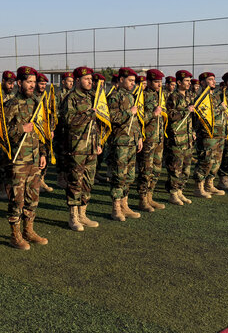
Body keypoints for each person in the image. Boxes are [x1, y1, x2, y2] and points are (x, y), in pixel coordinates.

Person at [3, 66, 48, 249]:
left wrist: (43, 153)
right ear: (19, 83)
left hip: (34, 158)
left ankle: (29, 230)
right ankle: (15, 235)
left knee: (33, 197)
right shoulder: (11, 104)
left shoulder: (37, 102)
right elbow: (2, 133)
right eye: (28, 82)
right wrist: (21, 129)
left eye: (33, 82)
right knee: (17, 199)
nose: (32, 85)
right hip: (18, 159)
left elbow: (41, 130)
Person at [60, 66, 102, 231]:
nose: (90, 81)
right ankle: (73, 217)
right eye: (86, 79)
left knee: (88, 181)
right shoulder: (71, 98)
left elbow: (96, 125)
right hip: (77, 147)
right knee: (75, 182)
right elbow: (68, 120)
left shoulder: (92, 97)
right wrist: (88, 114)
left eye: (91, 79)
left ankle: (83, 214)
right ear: (77, 81)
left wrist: (98, 143)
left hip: (91, 146)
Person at [107, 67, 143, 221]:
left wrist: (139, 137)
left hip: (132, 140)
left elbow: (135, 121)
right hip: (120, 141)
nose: (133, 84)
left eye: (134, 81)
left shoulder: (131, 96)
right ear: (121, 80)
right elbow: (111, 117)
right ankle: (116, 207)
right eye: (130, 81)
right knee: (118, 175)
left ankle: (125, 204)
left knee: (129, 175)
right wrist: (129, 112)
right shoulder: (114, 96)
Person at [191, 72, 227, 199]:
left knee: (216, 161)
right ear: (202, 82)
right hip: (207, 135)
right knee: (205, 161)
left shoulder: (215, 97)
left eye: (213, 79)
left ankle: (209, 184)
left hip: (218, 134)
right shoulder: (201, 98)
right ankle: (199, 187)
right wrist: (220, 109)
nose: (213, 81)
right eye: (210, 79)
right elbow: (204, 114)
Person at [136, 68, 167, 212]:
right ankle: (143, 200)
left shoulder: (160, 96)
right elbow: (140, 119)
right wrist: (154, 114)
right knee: (146, 170)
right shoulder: (142, 96)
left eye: (160, 82)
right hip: (148, 139)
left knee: (156, 169)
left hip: (159, 138)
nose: (159, 84)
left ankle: (150, 197)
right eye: (156, 81)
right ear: (148, 81)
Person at [165, 70, 195, 205]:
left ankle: (180, 191)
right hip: (176, 138)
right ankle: (173, 193)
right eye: (187, 81)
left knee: (186, 169)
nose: (189, 83)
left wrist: (193, 131)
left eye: (189, 81)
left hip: (188, 138)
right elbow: (170, 115)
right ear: (179, 82)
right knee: (175, 168)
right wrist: (185, 111)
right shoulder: (173, 97)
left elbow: (191, 118)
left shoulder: (189, 97)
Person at [0, 70, 18, 199]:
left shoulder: (12, 96)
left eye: (13, 83)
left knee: (9, 163)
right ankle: (0, 189)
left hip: (10, 133)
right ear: (3, 81)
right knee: (0, 164)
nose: (11, 86)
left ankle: (8, 188)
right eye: (9, 83)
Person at [34, 73, 54, 192]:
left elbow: (49, 114)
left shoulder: (45, 96)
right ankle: (36, 182)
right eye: (41, 84)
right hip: (34, 132)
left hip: (44, 131)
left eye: (45, 84)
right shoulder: (33, 97)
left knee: (45, 155)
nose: (43, 86)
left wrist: (50, 129)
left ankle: (41, 179)